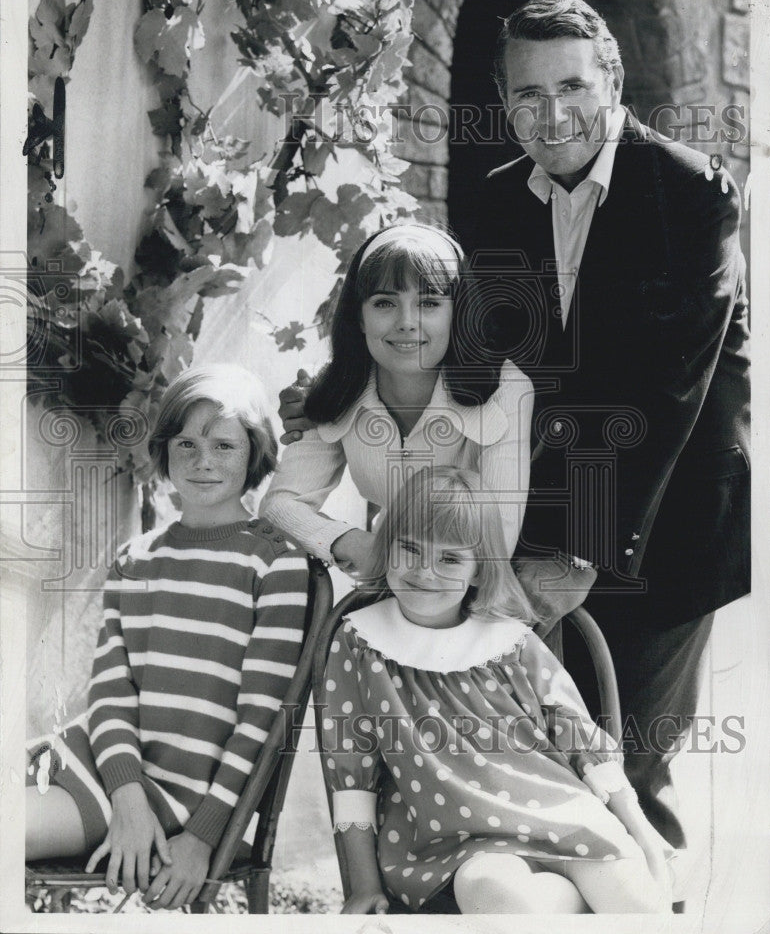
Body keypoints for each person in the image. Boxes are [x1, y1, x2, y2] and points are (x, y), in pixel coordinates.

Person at [470, 0, 751, 859]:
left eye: (571, 87)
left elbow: (660, 390)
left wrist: (578, 548)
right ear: (503, 100)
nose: (550, 115)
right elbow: (504, 374)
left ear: (612, 83)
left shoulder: (689, 194)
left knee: (627, 775)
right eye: (526, 94)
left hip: (664, 525)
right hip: (547, 521)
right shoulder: (498, 203)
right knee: (546, 775)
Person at [320, 467, 672, 914]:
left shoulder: (510, 640)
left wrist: (640, 833)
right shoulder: (360, 641)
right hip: (462, 845)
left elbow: (580, 739)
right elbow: (351, 773)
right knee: (492, 894)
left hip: (564, 813)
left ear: (478, 571)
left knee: (635, 902)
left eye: (449, 559)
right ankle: (574, 909)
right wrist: (363, 885)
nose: (424, 571)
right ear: (384, 545)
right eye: (408, 548)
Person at [26, 364, 309, 910]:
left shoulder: (274, 562)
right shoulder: (138, 558)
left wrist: (202, 838)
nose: (204, 461)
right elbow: (109, 691)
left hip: (174, 793)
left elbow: (262, 723)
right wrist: (126, 792)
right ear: (164, 449)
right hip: (105, 766)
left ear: (255, 453)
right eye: (186, 443)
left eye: (224, 445)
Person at [260, 222, 535, 575]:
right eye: (385, 302)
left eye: (429, 302)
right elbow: (280, 507)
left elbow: (495, 547)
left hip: (481, 592)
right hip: (390, 576)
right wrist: (362, 546)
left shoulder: (506, 389)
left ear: (457, 313)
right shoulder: (336, 385)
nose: (407, 322)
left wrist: (401, 563)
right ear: (359, 316)